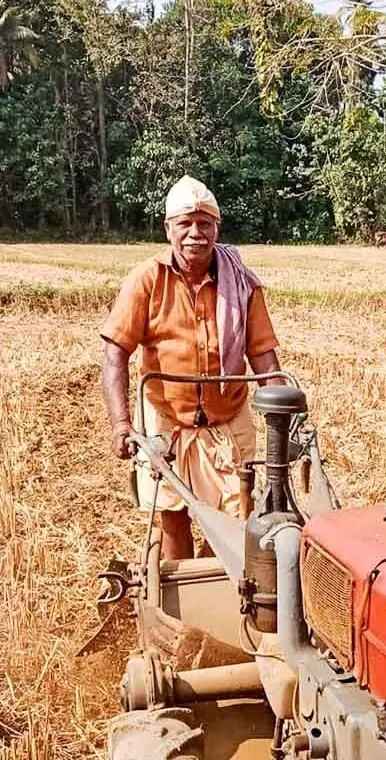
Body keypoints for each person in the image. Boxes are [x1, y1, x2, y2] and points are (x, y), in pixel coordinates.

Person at [99, 175, 285, 561]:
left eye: (205, 224)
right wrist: (121, 423)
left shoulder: (241, 283)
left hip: (227, 417)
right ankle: (183, 586)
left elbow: (263, 356)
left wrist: (287, 414)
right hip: (165, 418)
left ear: (217, 228)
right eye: (185, 224)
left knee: (237, 515)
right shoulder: (147, 280)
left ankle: (215, 577)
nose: (195, 234)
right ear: (168, 229)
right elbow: (115, 351)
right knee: (173, 516)